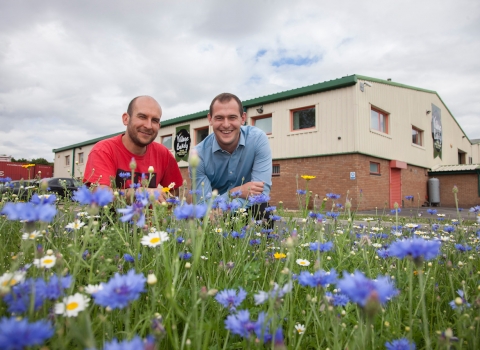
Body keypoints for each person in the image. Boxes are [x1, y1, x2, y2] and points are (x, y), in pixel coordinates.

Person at [190, 92, 272, 224]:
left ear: (243, 118)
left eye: (232, 117)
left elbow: (262, 192)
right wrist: (233, 193)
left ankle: (264, 245)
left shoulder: (258, 139)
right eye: (219, 118)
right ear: (210, 119)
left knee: (262, 208)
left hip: (246, 211)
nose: (226, 124)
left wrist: (224, 206)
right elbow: (202, 205)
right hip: (214, 219)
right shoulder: (198, 155)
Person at [83, 96, 183, 200]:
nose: (148, 126)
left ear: (159, 126)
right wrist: (140, 192)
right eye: (142, 117)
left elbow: (174, 191)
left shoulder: (163, 154)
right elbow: (100, 196)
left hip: (148, 217)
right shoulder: (104, 150)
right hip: (110, 216)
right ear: (126, 119)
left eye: (154, 120)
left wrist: (165, 206)